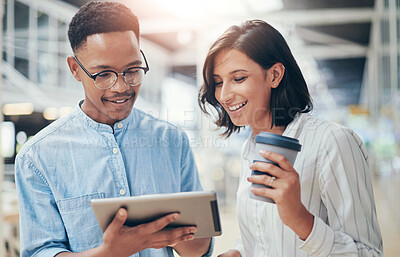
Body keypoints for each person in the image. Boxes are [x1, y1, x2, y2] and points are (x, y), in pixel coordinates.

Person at [15, 2, 213, 257]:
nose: (121, 87)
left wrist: (171, 234)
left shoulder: (171, 140)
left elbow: (199, 248)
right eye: (104, 74)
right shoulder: (37, 158)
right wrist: (109, 252)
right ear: (75, 69)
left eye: (132, 70)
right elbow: (40, 251)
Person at [199, 19, 383, 257]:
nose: (223, 95)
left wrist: (301, 219)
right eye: (218, 82)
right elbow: (262, 236)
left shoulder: (332, 142)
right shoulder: (250, 149)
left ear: (274, 75)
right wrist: (239, 252)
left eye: (239, 78)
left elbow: (369, 253)